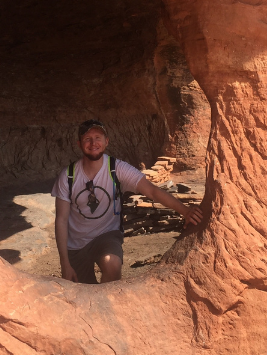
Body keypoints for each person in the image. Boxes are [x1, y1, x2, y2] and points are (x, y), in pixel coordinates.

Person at [53, 119, 205, 285]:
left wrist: (185, 211)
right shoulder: (68, 177)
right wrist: (64, 263)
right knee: (80, 292)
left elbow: (152, 190)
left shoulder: (116, 169)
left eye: (98, 137)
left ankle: (107, 305)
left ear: (106, 142)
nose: (93, 143)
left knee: (112, 263)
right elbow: (61, 219)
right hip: (76, 243)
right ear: (79, 144)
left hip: (106, 234)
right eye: (87, 139)